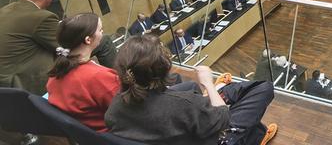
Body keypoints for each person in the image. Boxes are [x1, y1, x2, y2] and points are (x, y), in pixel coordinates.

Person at [106, 35, 278, 145]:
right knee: (264, 88)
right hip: (216, 137)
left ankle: (218, 95)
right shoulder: (184, 104)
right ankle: (252, 135)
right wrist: (208, 84)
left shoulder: (114, 109)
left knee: (191, 87)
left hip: (177, 133)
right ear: (164, 69)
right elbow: (224, 117)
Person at [46, 13, 120, 132]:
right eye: (100, 30)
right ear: (88, 39)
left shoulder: (53, 77)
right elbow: (129, 111)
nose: (102, 33)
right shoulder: (99, 77)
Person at [0, 0, 59, 95]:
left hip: (5, 82)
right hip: (25, 83)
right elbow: (67, 45)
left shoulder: (5, 10)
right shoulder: (42, 17)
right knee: (102, 42)